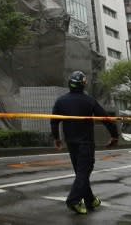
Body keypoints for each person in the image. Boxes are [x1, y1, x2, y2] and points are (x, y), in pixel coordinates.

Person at [51, 70, 119, 215]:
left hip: (71, 143)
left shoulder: (61, 101)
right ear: (83, 85)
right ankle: (74, 200)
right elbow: (105, 118)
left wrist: (57, 138)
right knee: (83, 172)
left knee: (81, 172)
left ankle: (90, 200)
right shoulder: (89, 100)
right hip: (86, 143)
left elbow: (54, 121)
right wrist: (114, 135)